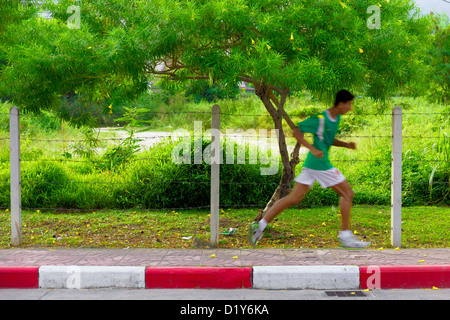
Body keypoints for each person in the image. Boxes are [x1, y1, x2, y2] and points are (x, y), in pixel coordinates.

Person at [248, 90, 370, 248]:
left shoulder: (336, 118)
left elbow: (328, 139)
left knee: (294, 198)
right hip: (320, 163)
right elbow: (296, 131)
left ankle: (259, 226)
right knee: (347, 193)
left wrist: (346, 144)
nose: (351, 108)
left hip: (313, 164)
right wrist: (312, 148)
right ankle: (346, 237)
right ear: (341, 104)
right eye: (349, 104)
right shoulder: (320, 119)